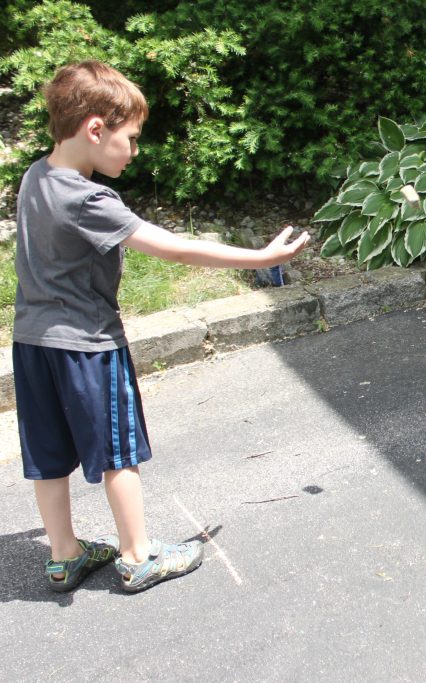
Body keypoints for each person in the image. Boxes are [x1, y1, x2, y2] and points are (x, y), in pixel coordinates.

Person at [13, 60, 310, 593]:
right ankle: (136, 554)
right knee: (118, 454)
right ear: (95, 129)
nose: (133, 150)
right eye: (130, 138)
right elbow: (176, 247)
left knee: (49, 456)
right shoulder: (89, 199)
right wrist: (258, 257)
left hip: (31, 343)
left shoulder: (36, 175)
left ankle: (64, 554)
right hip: (89, 346)